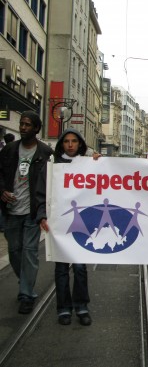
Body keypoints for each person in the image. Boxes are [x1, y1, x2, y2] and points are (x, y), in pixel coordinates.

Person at [35, 129, 99, 326]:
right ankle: (63, 309)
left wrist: (101, 163)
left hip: (82, 223)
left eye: (74, 141)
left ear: (80, 144)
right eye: (66, 141)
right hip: (59, 224)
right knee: (61, 268)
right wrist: (41, 215)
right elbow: (41, 192)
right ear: (62, 144)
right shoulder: (52, 166)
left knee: (80, 267)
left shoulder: (88, 164)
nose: (70, 145)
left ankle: (81, 306)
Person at [0, 111, 53, 314]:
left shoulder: (45, 153)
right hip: (12, 210)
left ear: (36, 128)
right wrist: (2, 190)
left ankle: (26, 294)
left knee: (30, 252)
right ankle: (25, 280)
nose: (23, 127)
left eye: (27, 125)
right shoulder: (10, 150)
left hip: (32, 211)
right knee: (14, 250)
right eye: (21, 124)